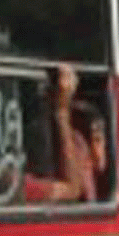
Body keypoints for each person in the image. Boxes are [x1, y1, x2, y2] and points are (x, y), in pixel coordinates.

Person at [21, 63, 107, 203]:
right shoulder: (19, 184)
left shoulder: (106, 184)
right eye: (79, 147)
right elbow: (73, 189)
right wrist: (61, 112)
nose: (95, 154)